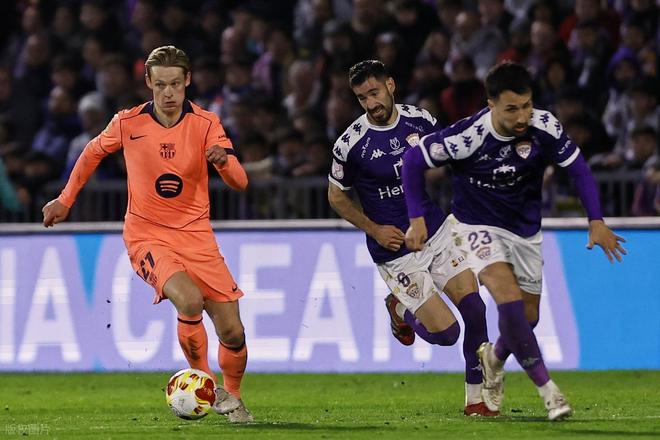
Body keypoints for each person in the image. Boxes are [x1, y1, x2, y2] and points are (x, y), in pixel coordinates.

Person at [402, 61, 626, 421]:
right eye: (511, 109)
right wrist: (416, 220)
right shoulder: (468, 136)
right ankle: (549, 391)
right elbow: (413, 160)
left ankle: (493, 359)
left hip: (525, 232)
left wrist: (596, 220)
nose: (522, 116)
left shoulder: (544, 126)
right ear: (491, 104)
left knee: (527, 318)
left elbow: (578, 169)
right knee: (507, 301)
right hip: (475, 226)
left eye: (526, 105)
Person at [42, 46, 253, 423]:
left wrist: (224, 163)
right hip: (147, 235)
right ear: (148, 83)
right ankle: (206, 383)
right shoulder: (128, 123)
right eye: (160, 85)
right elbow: (91, 153)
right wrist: (65, 199)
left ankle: (233, 398)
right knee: (189, 300)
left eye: (175, 84)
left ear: (187, 81)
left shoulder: (206, 123)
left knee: (233, 332)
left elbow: (240, 182)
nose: (168, 93)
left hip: (197, 237)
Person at [328, 60, 496, 416]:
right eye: (362, 98)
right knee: (447, 334)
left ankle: (477, 399)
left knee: (476, 309)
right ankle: (398, 307)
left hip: (436, 231)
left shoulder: (420, 120)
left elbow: (448, 157)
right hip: (395, 250)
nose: (371, 103)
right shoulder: (350, 143)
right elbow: (336, 196)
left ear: (390, 85)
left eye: (374, 92)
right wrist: (374, 229)